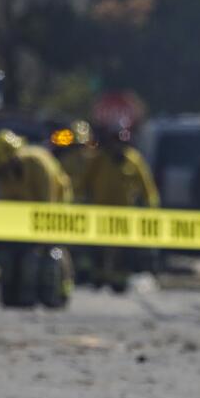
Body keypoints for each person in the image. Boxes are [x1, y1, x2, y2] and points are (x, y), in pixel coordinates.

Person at [0, 129, 74, 308]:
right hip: (27, 214)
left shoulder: (37, 163)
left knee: (52, 249)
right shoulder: (6, 171)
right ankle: (19, 293)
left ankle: (59, 290)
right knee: (15, 254)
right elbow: (7, 203)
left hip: (55, 205)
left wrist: (40, 237)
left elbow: (46, 202)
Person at [78, 119, 160, 292]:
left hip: (125, 215)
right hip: (101, 212)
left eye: (120, 142)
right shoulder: (98, 159)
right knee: (98, 248)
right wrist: (78, 199)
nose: (117, 146)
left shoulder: (134, 160)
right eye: (114, 142)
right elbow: (85, 181)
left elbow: (147, 186)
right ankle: (98, 278)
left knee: (124, 252)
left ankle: (119, 281)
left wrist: (151, 206)